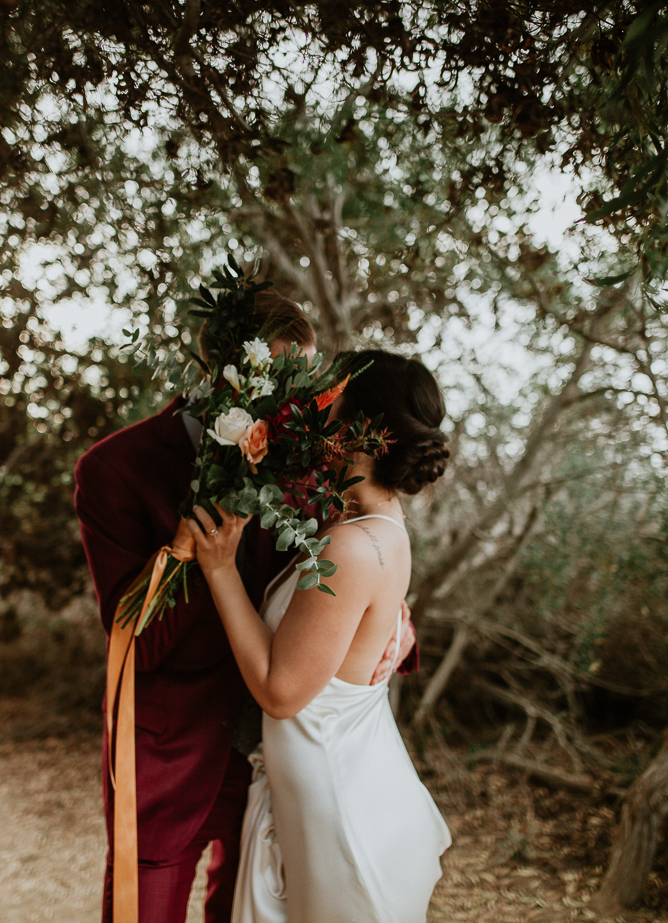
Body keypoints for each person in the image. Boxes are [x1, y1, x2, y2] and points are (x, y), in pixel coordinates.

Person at [74, 297, 419, 923]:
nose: (302, 408)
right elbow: (137, 642)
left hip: (276, 771)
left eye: (309, 385)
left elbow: (355, 559)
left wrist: (399, 623)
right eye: (287, 385)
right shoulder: (116, 470)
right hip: (168, 753)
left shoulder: (306, 460)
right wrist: (194, 544)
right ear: (229, 376)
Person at [186, 349, 453, 923]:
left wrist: (219, 568)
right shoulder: (376, 528)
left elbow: (282, 694)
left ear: (360, 431)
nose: (316, 420)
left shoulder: (349, 546)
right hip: (335, 782)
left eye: (329, 409)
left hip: (339, 806)